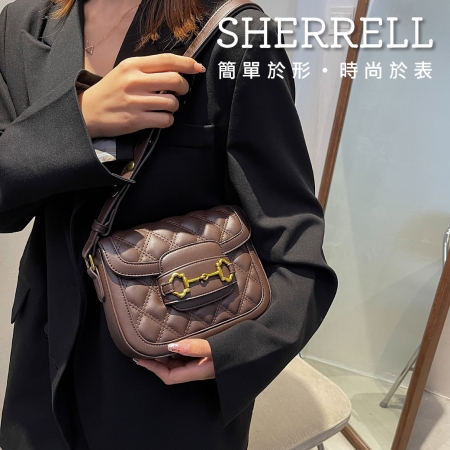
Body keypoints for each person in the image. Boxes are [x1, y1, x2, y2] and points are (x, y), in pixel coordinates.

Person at [0, 0, 338, 448]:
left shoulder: (236, 37)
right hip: (42, 364)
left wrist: (240, 349)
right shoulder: (22, 25)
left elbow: (295, 242)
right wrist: (77, 119)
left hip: (168, 378)